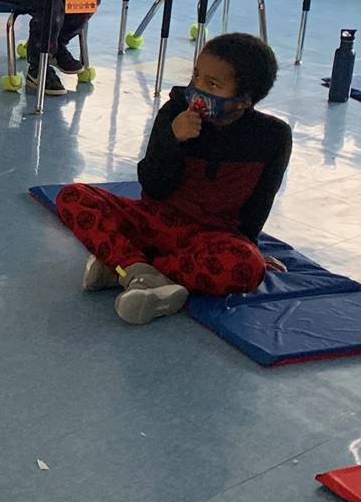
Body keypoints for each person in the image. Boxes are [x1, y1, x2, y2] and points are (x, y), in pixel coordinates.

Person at [55, 33, 292, 325]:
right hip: (156, 219)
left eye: (213, 84)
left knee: (246, 267)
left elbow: (260, 201)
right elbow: (152, 185)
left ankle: (127, 269)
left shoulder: (272, 136)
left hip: (210, 237)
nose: (198, 88)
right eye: (197, 76)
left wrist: (249, 246)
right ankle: (138, 272)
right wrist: (173, 140)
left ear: (243, 101)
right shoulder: (175, 110)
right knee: (73, 196)